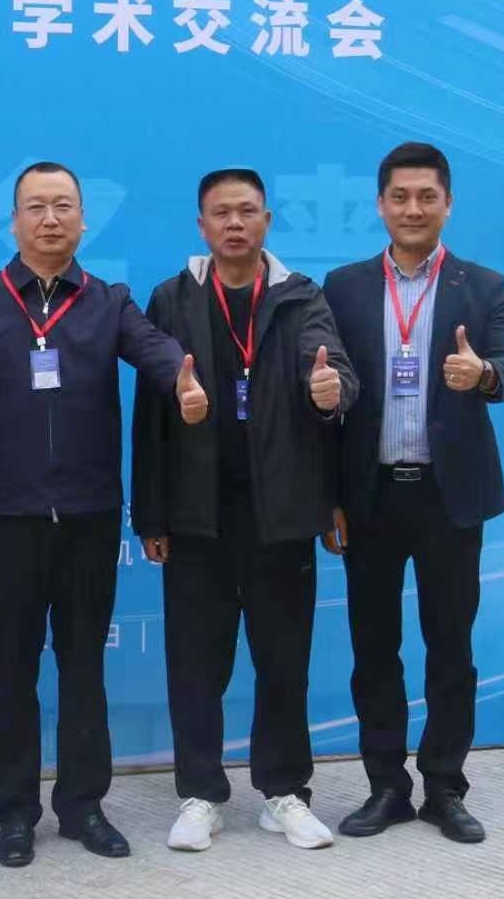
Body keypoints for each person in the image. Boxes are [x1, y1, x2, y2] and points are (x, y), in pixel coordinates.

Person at [0, 160, 210, 868]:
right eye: (36, 206)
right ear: (14, 222)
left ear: (84, 220)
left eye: (63, 206)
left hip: (89, 518)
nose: (50, 218)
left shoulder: (108, 301)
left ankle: (83, 806)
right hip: (6, 517)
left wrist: (181, 378)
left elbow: (155, 351)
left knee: (83, 666)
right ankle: (14, 813)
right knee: (11, 668)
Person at [131, 168, 355, 854]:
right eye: (221, 213)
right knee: (195, 663)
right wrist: (151, 516)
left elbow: (336, 372)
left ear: (267, 221)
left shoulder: (299, 295)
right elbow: (149, 416)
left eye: (247, 211)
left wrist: (330, 391)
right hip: (197, 514)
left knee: (283, 659)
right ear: (201, 225)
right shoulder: (172, 298)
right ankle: (200, 795)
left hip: (281, 514)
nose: (235, 223)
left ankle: (285, 792)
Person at [320, 142, 504, 846]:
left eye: (427, 197)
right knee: (373, 649)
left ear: (448, 204)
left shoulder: (484, 286)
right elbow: (328, 396)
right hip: (371, 495)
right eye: (400, 197)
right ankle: (386, 787)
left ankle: (444, 786)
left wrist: (485, 374)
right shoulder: (343, 287)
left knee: (451, 647)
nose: (413, 209)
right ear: (381, 205)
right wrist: (330, 495)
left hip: (450, 496)